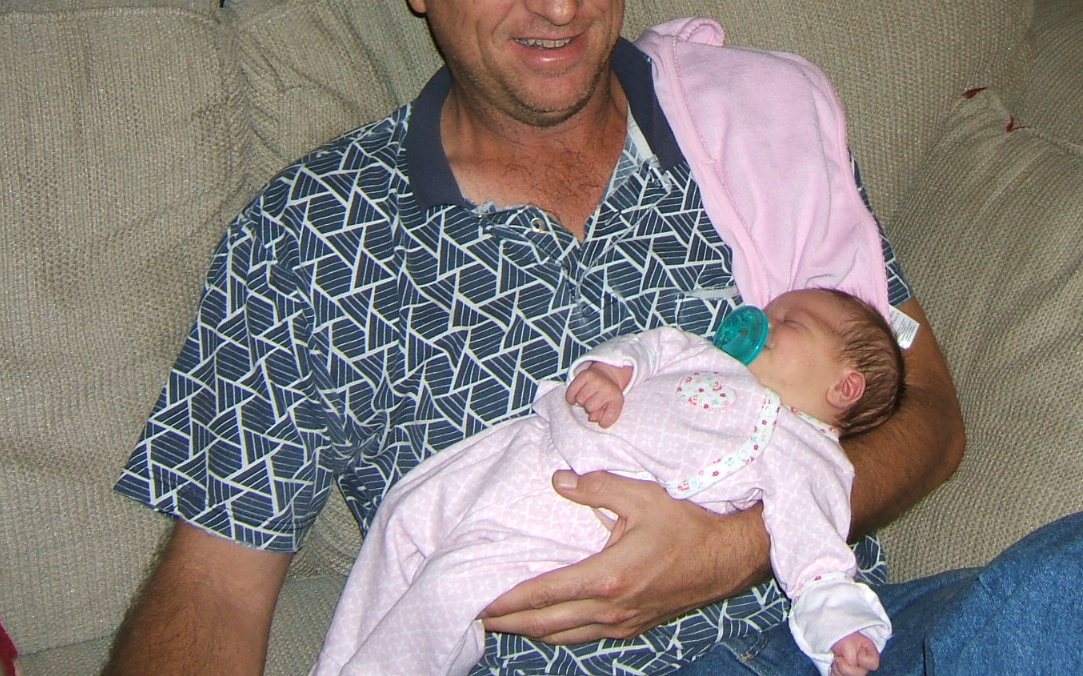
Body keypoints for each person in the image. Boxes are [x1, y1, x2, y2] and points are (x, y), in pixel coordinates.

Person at [106, 0, 1083, 676]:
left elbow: (932, 416)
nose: (558, 0)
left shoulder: (742, 129)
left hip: (822, 642)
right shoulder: (313, 236)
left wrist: (731, 551)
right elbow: (214, 592)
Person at [312, 289, 904, 676]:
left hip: (582, 517)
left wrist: (838, 625)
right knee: (402, 514)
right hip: (531, 443)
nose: (759, 319)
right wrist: (609, 373)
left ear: (844, 386)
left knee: (452, 584)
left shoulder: (805, 453)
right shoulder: (701, 354)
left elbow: (813, 546)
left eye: (789, 321)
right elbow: (651, 348)